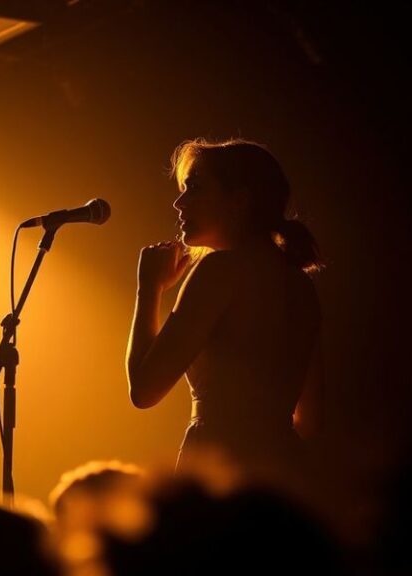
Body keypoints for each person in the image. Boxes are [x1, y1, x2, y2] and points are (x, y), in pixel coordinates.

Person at [126, 137, 324, 497]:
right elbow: (310, 420)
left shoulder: (219, 270)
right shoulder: (300, 283)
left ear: (239, 200)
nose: (178, 202)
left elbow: (144, 389)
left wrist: (149, 288)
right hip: (284, 476)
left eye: (194, 189)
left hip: (219, 470)